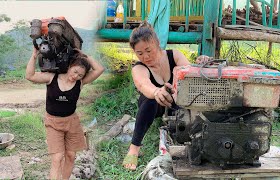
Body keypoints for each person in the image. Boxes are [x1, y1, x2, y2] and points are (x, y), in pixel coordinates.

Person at [122, 21, 208, 170]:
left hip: (178, 101)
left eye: (149, 50)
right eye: (140, 53)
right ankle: (134, 148)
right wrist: (157, 92)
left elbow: (189, 75)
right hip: (154, 107)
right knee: (150, 100)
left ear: (157, 43)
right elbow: (143, 85)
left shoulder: (174, 55)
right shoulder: (139, 68)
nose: (146, 56)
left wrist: (200, 65)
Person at [26, 48, 104, 179]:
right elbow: (30, 76)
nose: (76, 76)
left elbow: (99, 70)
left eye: (80, 75)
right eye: (75, 72)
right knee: (57, 158)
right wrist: (34, 56)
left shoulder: (80, 83)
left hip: (72, 122)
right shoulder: (51, 77)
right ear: (69, 66)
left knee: (71, 156)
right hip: (53, 122)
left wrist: (86, 56)